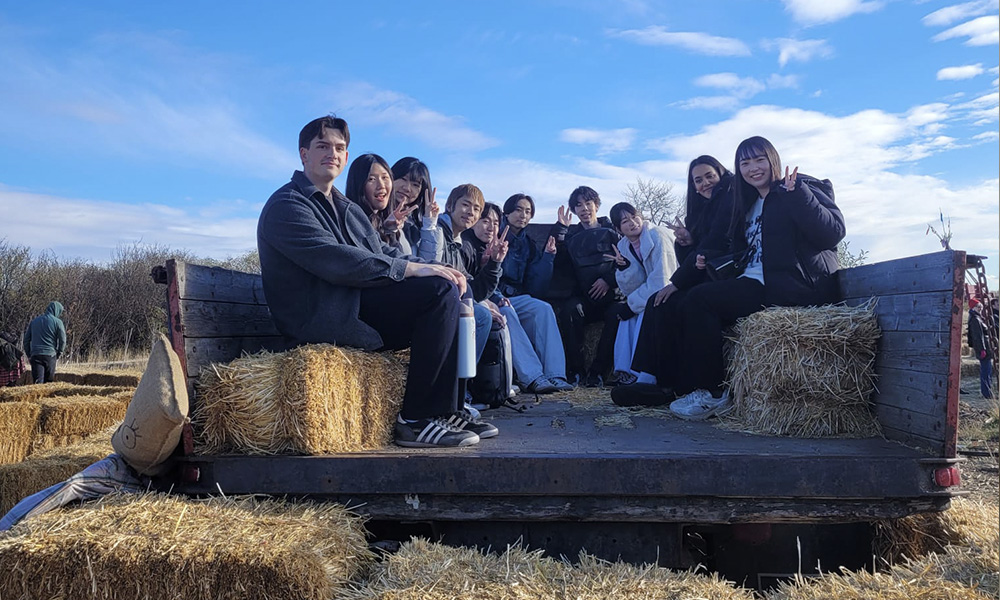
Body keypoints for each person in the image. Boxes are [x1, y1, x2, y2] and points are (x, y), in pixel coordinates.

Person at [256, 115, 495, 448]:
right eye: (322, 146)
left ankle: (445, 409)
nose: (332, 153)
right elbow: (335, 261)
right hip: (324, 315)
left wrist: (433, 267)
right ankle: (413, 421)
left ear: (346, 157)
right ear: (303, 154)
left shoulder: (345, 207)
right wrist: (412, 272)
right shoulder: (287, 205)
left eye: (339, 148)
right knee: (435, 292)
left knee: (449, 291)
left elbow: (382, 252)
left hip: (355, 304)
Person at [666, 136, 845, 420]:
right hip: (755, 281)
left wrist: (797, 194)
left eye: (759, 159)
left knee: (700, 301)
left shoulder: (802, 186)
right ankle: (680, 385)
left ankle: (713, 393)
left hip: (793, 285)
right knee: (687, 301)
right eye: (745, 163)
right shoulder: (747, 203)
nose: (753, 168)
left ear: (773, 159)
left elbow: (832, 233)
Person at [613, 155, 735, 406]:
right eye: (697, 181)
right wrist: (687, 242)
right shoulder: (701, 211)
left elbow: (714, 247)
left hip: (728, 273)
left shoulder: (730, 200)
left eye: (709, 176)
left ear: (721, 174)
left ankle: (704, 388)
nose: (704, 184)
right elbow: (697, 253)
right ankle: (652, 381)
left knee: (689, 301)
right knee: (658, 304)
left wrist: (676, 283)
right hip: (707, 273)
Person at [465, 201, 573, 394]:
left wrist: (548, 257)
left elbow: (535, 286)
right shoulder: (488, 237)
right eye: (518, 209)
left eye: (528, 211)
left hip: (513, 296)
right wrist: (496, 296)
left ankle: (555, 374)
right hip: (491, 297)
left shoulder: (528, 244)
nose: (523, 215)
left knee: (543, 308)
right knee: (506, 312)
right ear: (507, 213)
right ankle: (532, 376)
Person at [554, 186, 627, 387]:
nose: (584, 208)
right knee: (570, 310)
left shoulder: (614, 231)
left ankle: (599, 372)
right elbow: (561, 267)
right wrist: (560, 230)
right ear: (574, 211)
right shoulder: (571, 237)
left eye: (588, 203)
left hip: (612, 296)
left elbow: (629, 260)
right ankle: (575, 371)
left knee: (618, 314)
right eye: (578, 205)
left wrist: (608, 280)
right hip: (585, 299)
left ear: (597, 205)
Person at [605, 202, 678, 387]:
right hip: (651, 294)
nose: (632, 223)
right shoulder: (623, 245)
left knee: (643, 312)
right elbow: (632, 288)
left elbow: (662, 279)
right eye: (624, 221)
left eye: (634, 216)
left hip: (673, 291)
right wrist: (624, 268)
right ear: (618, 228)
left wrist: (632, 305)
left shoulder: (658, 235)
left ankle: (646, 374)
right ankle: (626, 371)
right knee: (626, 317)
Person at [23, 301, 66, 384]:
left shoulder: (34, 321)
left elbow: (26, 340)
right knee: (48, 384)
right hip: (50, 355)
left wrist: (29, 354)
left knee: (37, 383)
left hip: (36, 355)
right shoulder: (58, 322)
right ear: (56, 311)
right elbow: (63, 340)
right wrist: (59, 353)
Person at [968, 298, 994, 399]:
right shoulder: (975, 319)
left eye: (981, 307)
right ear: (973, 308)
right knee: (986, 371)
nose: (981, 309)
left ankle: (987, 391)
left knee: (986, 370)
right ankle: (987, 393)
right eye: (979, 307)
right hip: (984, 348)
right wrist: (982, 349)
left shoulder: (977, 317)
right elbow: (978, 336)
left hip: (984, 347)